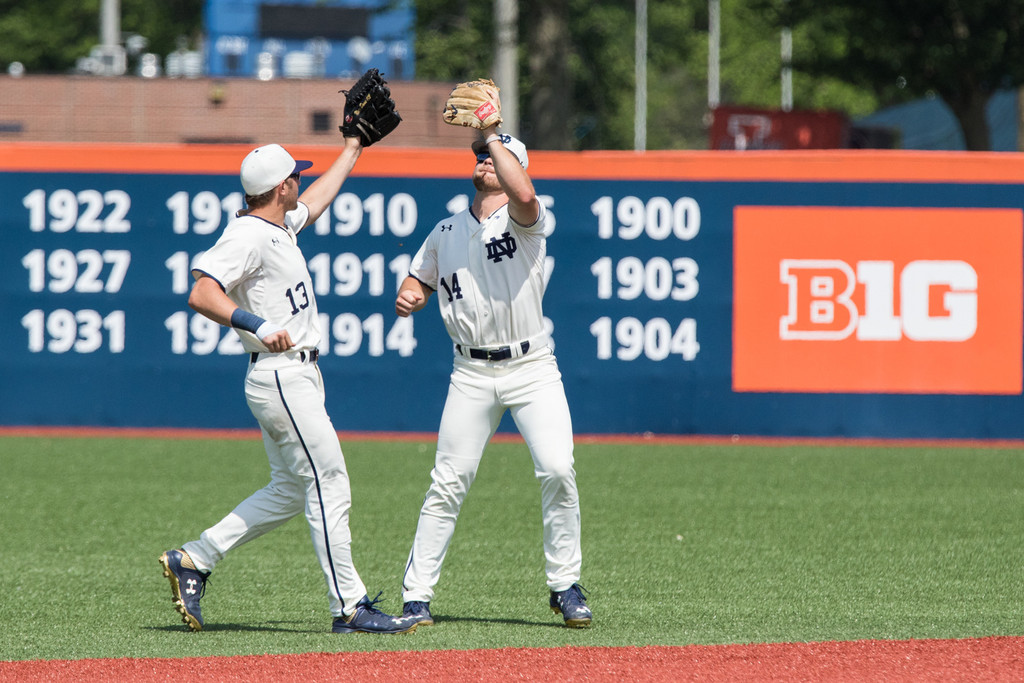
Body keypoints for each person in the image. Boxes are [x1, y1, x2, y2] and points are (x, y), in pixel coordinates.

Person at [159, 138, 418, 635]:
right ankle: (350, 606)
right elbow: (201, 290)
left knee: (289, 490)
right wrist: (252, 322)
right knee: (330, 482)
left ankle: (194, 557)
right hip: (280, 373)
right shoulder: (248, 235)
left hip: (294, 375)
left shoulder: (277, 225)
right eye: (296, 175)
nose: (301, 181)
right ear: (282, 186)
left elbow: (316, 200)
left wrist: (353, 149)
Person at [393, 123, 592, 628]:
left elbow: (523, 191)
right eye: (479, 153)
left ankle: (565, 586)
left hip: (532, 367)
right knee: (448, 482)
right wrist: (412, 291)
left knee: (557, 469)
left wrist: (495, 135)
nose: (484, 158)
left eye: (494, 155)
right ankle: (416, 597)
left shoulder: (526, 220)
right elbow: (420, 275)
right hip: (471, 371)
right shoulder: (444, 231)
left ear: (512, 163)